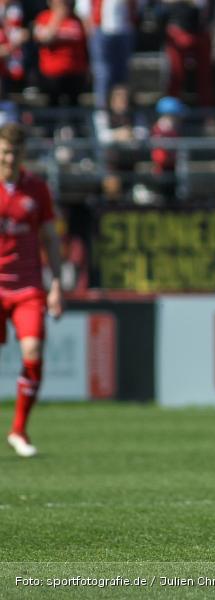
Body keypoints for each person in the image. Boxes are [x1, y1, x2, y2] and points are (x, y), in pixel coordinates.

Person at [0, 123, 64, 458]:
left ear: (23, 154)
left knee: (34, 351)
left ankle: (18, 430)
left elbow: (51, 238)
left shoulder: (36, 189)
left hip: (27, 286)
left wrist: (56, 284)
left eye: (15, 152)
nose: (10, 158)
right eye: (5, 151)